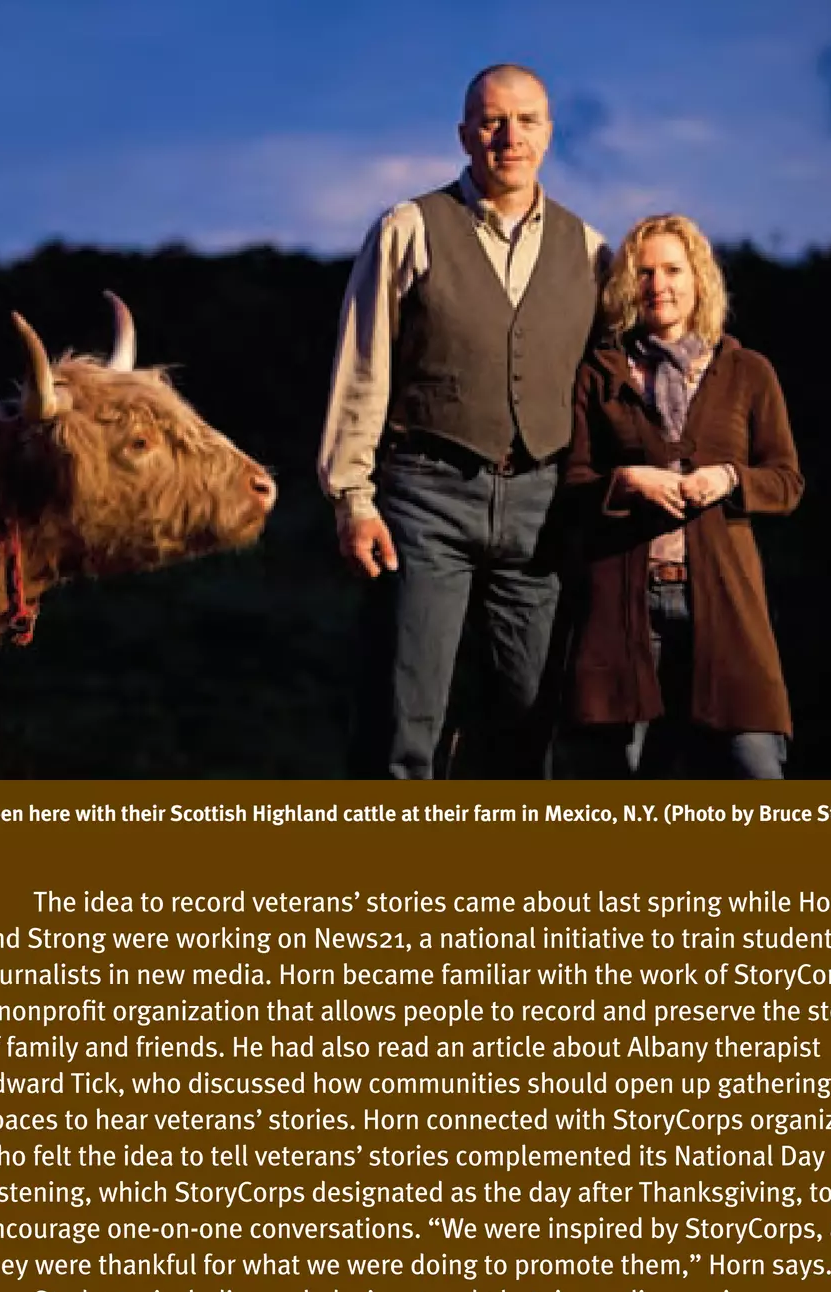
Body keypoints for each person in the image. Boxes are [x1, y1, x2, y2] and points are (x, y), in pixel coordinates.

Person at [319, 64, 608, 779]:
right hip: (424, 494)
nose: (509, 136)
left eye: (527, 120)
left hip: (541, 509)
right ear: (464, 134)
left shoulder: (593, 250)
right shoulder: (408, 228)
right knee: (404, 714)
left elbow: (611, 389)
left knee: (523, 719)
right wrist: (353, 498)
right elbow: (362, 368)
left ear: (550, 132)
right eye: (491, 120)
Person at [559, 215, 804, 777]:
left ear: (699, 280)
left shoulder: (746, 372)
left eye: (672, 269)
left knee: (755, 764)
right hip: (624, 604)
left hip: (725, 602)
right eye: (643, 273)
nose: (657, 285)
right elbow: (571, 486)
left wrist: (729, 479)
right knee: (622, 777)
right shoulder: (599, 372)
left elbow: (787, 481)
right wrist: (626, 481)